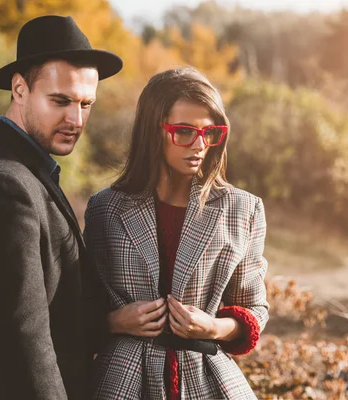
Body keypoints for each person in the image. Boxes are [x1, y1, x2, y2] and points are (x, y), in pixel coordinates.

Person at [0, 15, 122, 399]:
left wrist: (114, 321)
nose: (76, 119)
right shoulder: (2, 184)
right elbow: (21, 344)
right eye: (60, 101)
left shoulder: (19, 167)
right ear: (19, 89)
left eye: (86, 103)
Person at [84, 67, 269, 399]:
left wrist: (214, 327)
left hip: (208, 376)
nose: (199, 145)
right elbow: (81, 307)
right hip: (123, 380)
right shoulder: (105, 209)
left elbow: (254, 308)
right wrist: (115, 322)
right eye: (183, 131)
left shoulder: (243, 209)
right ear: (153, 131)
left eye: (210, 132)